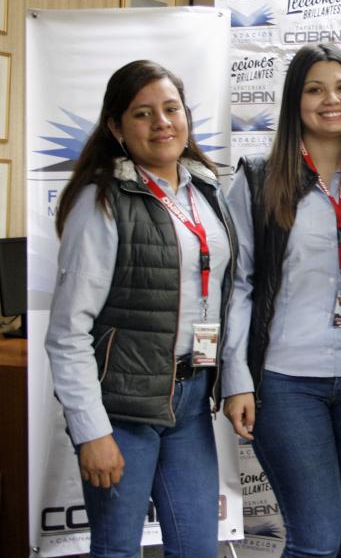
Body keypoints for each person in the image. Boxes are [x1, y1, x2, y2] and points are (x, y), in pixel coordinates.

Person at [45, 60, 236, 557]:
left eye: (171, 109)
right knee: (117, 550)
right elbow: (68, 332)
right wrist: (92, 432)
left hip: (191, 400)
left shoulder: (208, 192)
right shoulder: (102, 201)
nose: (162, 123)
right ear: (116, 128)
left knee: (197, 550)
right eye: (143, 114)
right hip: (123, 409)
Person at [222, 44, 341, 558]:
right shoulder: (257, 179)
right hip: (286, 382)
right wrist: (237, 378)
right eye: (314, 89)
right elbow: (240, 286)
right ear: (295, 102)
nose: (331, 99)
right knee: (315, 540)